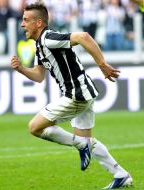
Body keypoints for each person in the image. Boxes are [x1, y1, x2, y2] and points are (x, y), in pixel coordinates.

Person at [10, 2, 133, 189]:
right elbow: (39, 75)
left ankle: (81, 145)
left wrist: (102, 65)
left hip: (76, 95)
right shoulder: (39, 46)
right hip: (83, 93)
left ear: (39, 23)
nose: (22, 24)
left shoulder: (48, 37)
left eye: (26, 20)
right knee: (88, 141)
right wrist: (20, 69)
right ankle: (121, 175)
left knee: (35, 127)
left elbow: (83, 36)